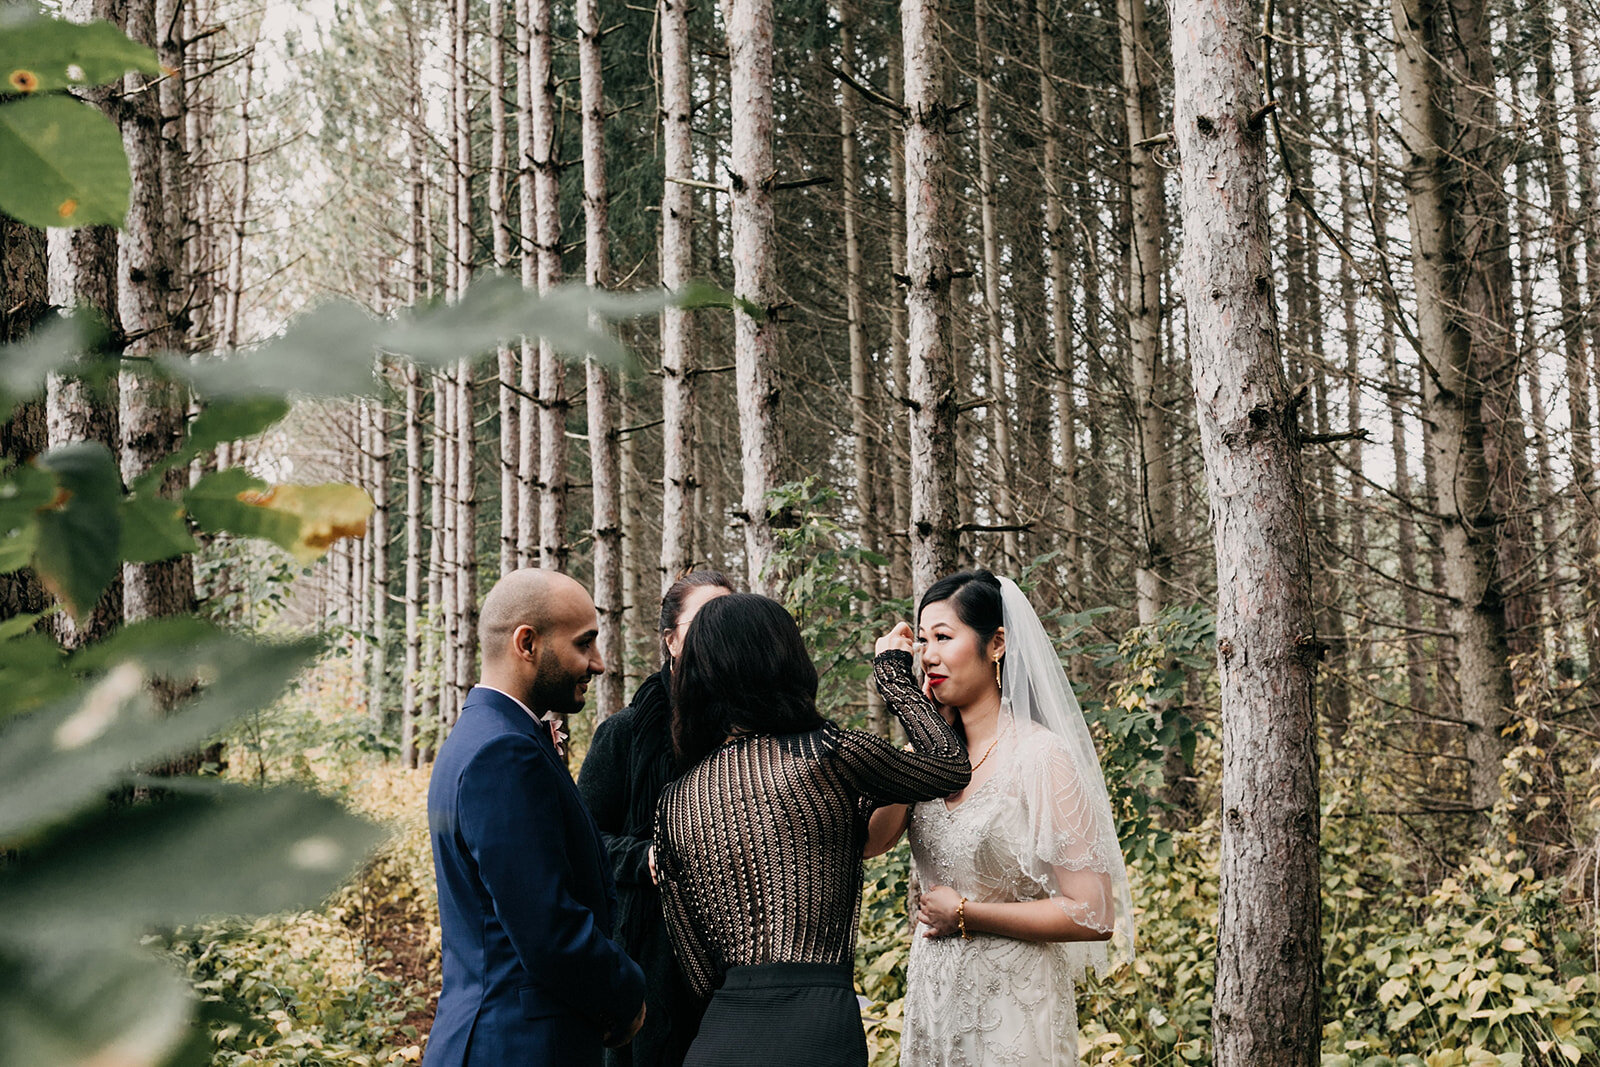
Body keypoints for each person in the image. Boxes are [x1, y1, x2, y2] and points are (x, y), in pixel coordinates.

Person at [652, 593, 972, 1067]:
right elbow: (949, 767)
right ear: (786, 661)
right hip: (816, 1031)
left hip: (720, 1036)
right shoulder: (826, 754)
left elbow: (697, 974)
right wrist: (894, 678)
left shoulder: (674, 803)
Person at [863, 568, 1135, 1066]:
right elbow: (870, 841)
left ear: (997, 645)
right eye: (922, 641)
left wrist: (967, 914)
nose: (928, 655)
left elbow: (1094, 914)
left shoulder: (1040, 756)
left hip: (1015, 1005)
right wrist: (911, 714)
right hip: (935, 999)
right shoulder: (926, 757)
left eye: (944, 637)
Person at [425, 569, 647, 1067]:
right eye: (584, 644)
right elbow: (548, 928)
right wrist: (626, 994)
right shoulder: (502, 752)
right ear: (527, 642)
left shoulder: (483, 735)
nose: (599, 663)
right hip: (516, 1046)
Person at [577, 570, 735, 1067]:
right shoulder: (623, 735)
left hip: (736, 959)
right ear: (670, 640)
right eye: (703, 622)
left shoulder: (751, 737)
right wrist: (647, 858)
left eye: (728, 622)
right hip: (649, 960)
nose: (716, 636)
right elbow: (583, 843)